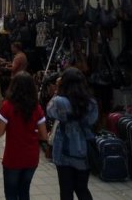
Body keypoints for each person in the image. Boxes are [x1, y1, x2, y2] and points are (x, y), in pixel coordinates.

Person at [47, 68, 98, 200]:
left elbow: (50, 112)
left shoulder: (59, 101)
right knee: (82, 188)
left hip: (63, 149)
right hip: (83, 148)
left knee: (66, 190)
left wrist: (57, 91)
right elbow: (92, 120)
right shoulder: (91, 102)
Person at [0, 72, 48, 200]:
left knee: (11, 193)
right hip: (31, 157)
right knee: (24, 191)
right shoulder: (37, 108)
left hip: (12, 157)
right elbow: (44, 136)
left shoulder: (7, 106)